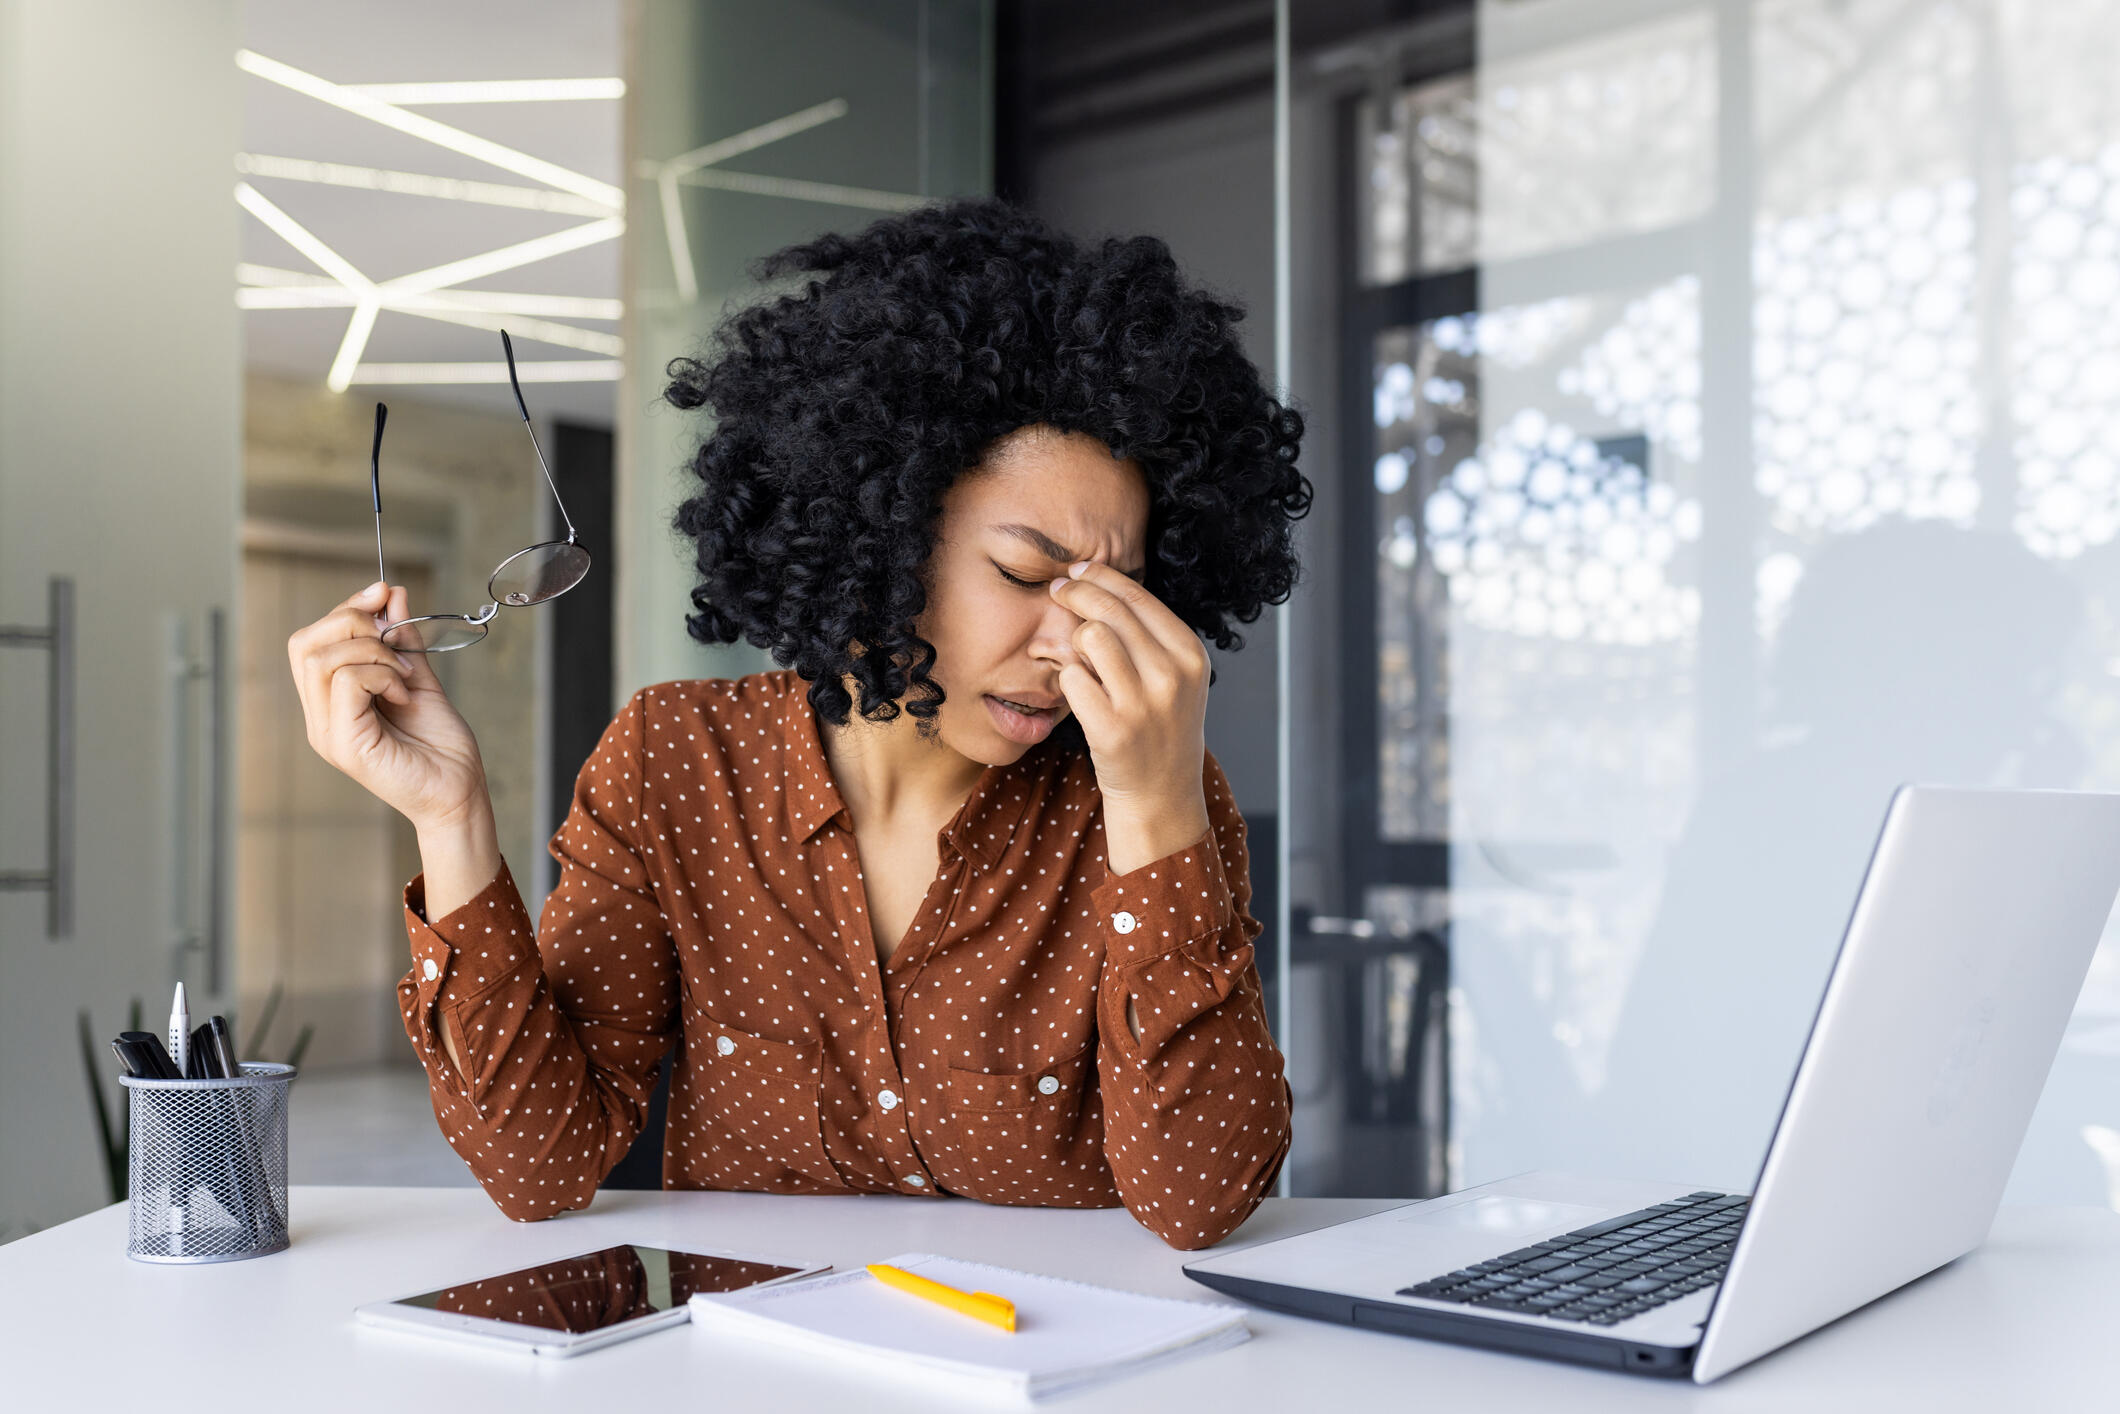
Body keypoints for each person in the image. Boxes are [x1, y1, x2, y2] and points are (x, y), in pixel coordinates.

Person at [287, 197, 1311, 1250]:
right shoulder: (675, 765)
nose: (1073, 643)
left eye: (1117, 595)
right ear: (882, 530)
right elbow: (539, 1168)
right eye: (1023, 572)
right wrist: (448, 816)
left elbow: (1201, 1203)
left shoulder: (1149, 803)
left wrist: (1152, 804)